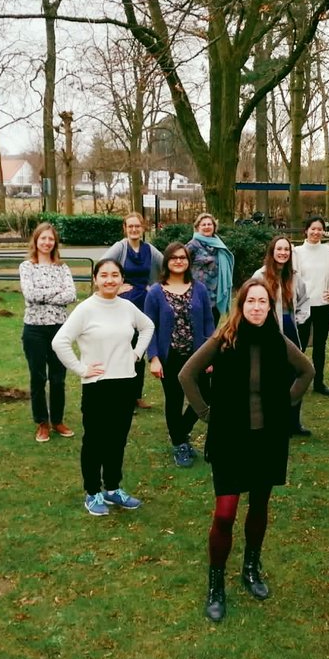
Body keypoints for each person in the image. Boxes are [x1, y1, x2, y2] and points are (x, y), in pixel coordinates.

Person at [179, 280, 314, 622]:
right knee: (225, 513)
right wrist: (207, 414)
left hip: (267, 439)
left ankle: (251, 568)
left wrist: (285, 405)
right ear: (242, 305)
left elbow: (306, 371)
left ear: (270, 307)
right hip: (230, 439)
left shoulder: (277, 340)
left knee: (259, 505)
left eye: (262, 302)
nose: (256, 307)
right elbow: (187, 375)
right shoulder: (224, 338)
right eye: (250, 301)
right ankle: (216, 583)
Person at [53, 258, 155, 516]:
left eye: (115, 275)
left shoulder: (128, 307)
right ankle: (92, 492)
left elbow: (147, 326)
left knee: (117, 439)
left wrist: (136, 354)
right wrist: (81, 368)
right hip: (97, 385)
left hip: (125, 383)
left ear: (122, 279)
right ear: (96, 279)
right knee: (95, 441)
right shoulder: (86, 309)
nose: (110, 280)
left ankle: (112, 488)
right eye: (104, 275)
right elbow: (60, 341)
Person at [145, 242, 216, 468]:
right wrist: (153, 357)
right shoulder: (156, 292)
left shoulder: (200, 289)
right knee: (174, 400)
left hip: (197, 355)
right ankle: (179, 444)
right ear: (167, 261)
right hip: (170, 356)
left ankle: (181, 431)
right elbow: (150, 328)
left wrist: (210, 355)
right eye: (174, 258)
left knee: (205, 398)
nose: (178, 261)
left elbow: (208, 322)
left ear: (188, 261)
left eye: (183, 257)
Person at [19, 222, 78, 443]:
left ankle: (58, 420)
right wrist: (56, 293)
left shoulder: (62, 268)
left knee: (58, 378)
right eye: (43, 238)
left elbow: (71, 295)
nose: (46, 242)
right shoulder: (27, 267)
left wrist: (44, 294)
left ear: (55, 243)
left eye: (50, 239)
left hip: (60, 330)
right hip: (34, 330)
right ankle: (42, 422)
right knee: (38, 377)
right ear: (36, 240)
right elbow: (30, 294)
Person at [253, 236, 312, 436]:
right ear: (272, 251)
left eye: (286, 249)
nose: (283, 253)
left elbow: (304, 300)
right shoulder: (260, 276)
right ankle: (274, 421)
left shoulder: (294, 276)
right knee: (274, 378)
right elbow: (250, 303)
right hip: (269, 333)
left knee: (296, 375)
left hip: (291, 332)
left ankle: (293, 422)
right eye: (279, 249)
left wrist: (301, 318)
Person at [103, 212, 161, 408]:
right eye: (130, 226)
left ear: (143, 228)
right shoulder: (120, 248)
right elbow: (102, 266)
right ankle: (121, 395)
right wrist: (117, 286)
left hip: (143, 305)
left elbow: (167, 266)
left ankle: (136, 395)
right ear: (125, 229)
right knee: (121, 348)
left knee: (139, 348)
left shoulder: (150, 250)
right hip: (122, 304)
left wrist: (154, 286)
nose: (134, 230)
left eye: (137, 226)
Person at [293, 216, 329, 396]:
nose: (316, 232)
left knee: (319, 346)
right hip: (302, 307)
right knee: (298, 346)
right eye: (313, 229)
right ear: (306, 230)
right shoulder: (297, 253)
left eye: (320, 229)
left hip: (322, 306)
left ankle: (319, 382)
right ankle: (296, 381)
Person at [185, 212, 235, 324]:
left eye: (209, 224)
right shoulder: (193, 245)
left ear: (214, 227)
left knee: (212, 330)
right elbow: (181, 263)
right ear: (198, 227)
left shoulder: (219, 245)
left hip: (215, 295)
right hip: (197, 295)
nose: (207, 227)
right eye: (203, 225)